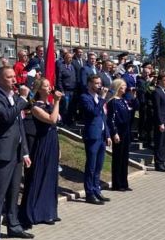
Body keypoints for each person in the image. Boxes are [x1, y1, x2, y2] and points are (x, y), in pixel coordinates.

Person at [0, 66, 34, 240]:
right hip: (2, 152)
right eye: (9, 77)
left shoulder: (14, 97)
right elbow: (6, 118)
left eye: (14, 76)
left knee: (14, 192)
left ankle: (13, 226)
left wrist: (25, 151)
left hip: (17, 152)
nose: (14, 80)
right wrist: (21, 99)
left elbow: (20, 125)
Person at [19, 79, 62, 227]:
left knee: (51, 176)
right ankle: (37, 212)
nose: (49, 87)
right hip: (43, 143)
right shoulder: (36, 107)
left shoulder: (48, 104)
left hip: (52, 140)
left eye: (49, 85)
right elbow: (52, 119)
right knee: (42, 176)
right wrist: (57, 102)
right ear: (39, 89)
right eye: (45, 86)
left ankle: (49, 211)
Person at [79, 74, 111, 203]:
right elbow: (93, 112)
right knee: (91, 166)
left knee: (98, 166)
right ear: (89, 84)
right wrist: (103, 98)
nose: (99, 85)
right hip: (92, 136)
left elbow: (103, 117)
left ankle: (97, 190)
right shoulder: (84, 97)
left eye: (100, 83)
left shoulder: (98, 97)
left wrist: (107, 134)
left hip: (101, 136)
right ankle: (89, 193)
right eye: (96, 83)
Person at [107, 79, 132, 191]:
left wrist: (134, 97)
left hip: (126, 131)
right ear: (117, 87)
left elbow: (133, 109)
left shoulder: (123, 100)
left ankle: (124, 182)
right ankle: (117, 183)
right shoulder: (113, 102)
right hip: (119, 132)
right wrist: (115, 132)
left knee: (124, 158)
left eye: (125, 86)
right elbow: (111, 119)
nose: (124, 88)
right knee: (118, 158)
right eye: (122, 86)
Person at [153, 72, 165, 171]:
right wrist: (160, 123)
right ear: (159, 81)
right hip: (160, 122)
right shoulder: (157, 91)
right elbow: (157, 109)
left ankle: (163, 161)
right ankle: (158, 163)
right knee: (160, 143)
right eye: (164, 80)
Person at [55, 51, 76, 126]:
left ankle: (69, 121)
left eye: (71, 58)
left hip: (72, 91)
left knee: (71, 107)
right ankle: (62, 122)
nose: (70, 59)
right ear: (65, 58)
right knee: (65, 107)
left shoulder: (72, 67)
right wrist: (62, 90)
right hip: (65, 91)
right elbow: (59, 80)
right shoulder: (61, 67)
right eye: (68, 58)